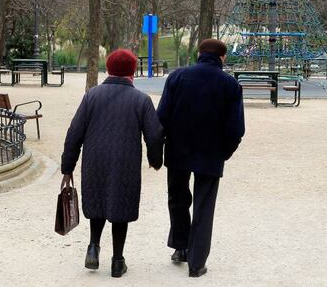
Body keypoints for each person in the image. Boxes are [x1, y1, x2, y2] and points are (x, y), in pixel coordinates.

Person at [61, 49, 163, 278]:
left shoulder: (92, 95)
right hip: (125, 160)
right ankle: (118, 261)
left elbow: (74, 133)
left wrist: (67, 166)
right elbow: (155, 135)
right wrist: (156, 160)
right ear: (132, 71)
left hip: (95, 158)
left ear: (109, 69)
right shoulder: (141, 100)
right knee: (121, 207)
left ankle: (93, 247)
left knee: (97, 202)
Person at [157, 39, 245, 277]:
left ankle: (180, 246)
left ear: (199, 54)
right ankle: (197, 263)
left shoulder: (177, 77)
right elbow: (236, 129)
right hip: (211, 152)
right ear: (222, 58)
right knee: (204, 206)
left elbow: (161, 117)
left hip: (178, 149)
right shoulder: (230, 85)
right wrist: (224, 152)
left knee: (177, 199)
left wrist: (158, 148)